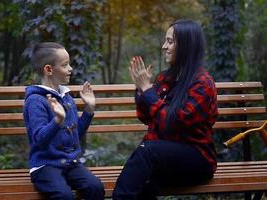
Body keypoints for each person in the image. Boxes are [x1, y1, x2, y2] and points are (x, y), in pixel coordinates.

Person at [112, 19, 218, 200]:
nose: (163, 46)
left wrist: (147, 90)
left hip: (197, 159)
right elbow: (146, 117)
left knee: (148, 151)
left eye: (170, 41)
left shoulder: (203, 84)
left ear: (186, 45)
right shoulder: (166, 78)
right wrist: (141, 89)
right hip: (164, 157)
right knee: (146, 184)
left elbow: (176, 122)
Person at [23, 42, 105, 200]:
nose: (71, 69)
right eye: (65, 65)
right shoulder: (35, 101)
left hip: (70, 163)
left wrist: (89, 109)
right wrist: (57, 121)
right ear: (49, 69)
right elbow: (39, 139)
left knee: (95, 187)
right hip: (45, 166)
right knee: (64, 196)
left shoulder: (66, 97)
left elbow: (75, 134)